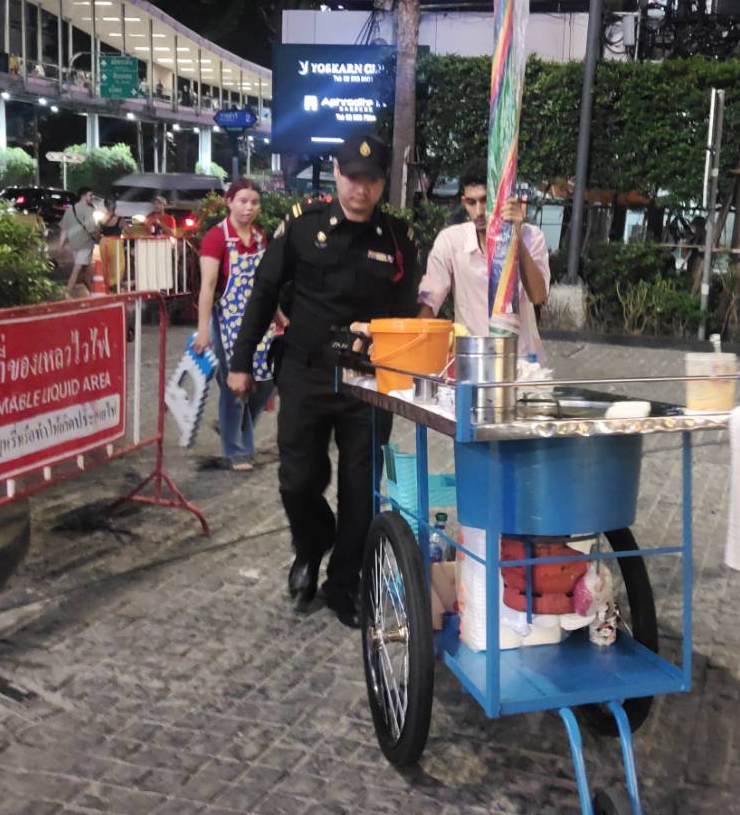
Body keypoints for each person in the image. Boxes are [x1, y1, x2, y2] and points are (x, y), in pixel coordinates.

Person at [227, 132, 418, 629]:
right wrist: (241, 360)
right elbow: (264, 291)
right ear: (336, 173)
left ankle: (343, 583)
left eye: (371, 179)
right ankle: (312, 544)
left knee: (361, 488)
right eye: (352, 177)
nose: (361, 188)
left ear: (383, 183)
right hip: (305, 372)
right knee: (297, 479)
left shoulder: (397, 240)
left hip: (367, 384)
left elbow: (405, 318)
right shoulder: (303, 225)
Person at [416, 159, 550, 360]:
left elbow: (538, 296)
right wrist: (415, 351)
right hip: (472, 361)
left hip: (522, 362)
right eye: (471, 202)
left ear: (502, 200)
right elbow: (429, 301)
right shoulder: (451, 241)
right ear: (464, 202)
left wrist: (516, 237)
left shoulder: (531, 237)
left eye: (485, 201)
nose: (479, 212)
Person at [194, 179, 278, 472]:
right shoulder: (216, 238)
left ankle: (235, 428)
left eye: (254, 202)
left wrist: (278, 315)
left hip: (258, 321)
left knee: (265, 382)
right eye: (242, 201)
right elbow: (208, 286)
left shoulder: (259, 237)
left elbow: (266, 284)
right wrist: (203, 330)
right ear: (229, 202)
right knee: (235, 387)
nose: (248, 207)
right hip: (226, 321)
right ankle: (236, 450)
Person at [60, 186, 101, 295]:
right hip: (85, 244)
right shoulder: (89, 210)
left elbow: (64, 229)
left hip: (74, 244)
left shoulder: (70, 209)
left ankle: (92, 292)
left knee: (86, 269)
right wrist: (98, 238)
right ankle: (67, 292)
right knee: (77, 268)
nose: (92, 197)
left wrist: (61, 245)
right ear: (83, 196)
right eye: (90, 195)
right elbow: (92, 230)